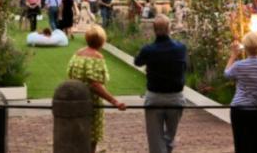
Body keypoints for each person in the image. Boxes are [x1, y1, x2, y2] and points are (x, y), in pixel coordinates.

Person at [67, 25, 127, 152]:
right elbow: (95, 85)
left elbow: (70, 75)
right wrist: (114, 101)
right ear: (102, 41)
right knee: (90, 139)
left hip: (76, 100)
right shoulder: (97, 57)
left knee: (78, 136)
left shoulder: (77, 54)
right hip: (91, 103)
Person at [134, 15, 187, 153]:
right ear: (170, 28)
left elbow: (137, 61)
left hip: (155, 97)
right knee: (170, 137)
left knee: (155, 139)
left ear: (154, 30)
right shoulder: (181, 48)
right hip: (175, 98)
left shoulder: (149, 50)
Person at [224, 32, 257, 153]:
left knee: (241, 143)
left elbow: (227, 74)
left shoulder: (239, 65)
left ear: (245, 48)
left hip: (239, 108)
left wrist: (233, 55)